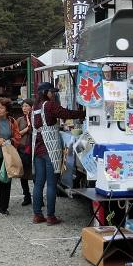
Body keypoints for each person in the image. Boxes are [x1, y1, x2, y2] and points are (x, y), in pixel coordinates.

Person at [32, 82, 83, 225]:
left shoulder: (34, 107)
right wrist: (82, 113)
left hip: (38, 149)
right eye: (51, 92)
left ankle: (37, 215)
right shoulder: (49, 105)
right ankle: (50, 216)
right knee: (52, 184)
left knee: (39, 183)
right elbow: (65, 113)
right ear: (45, 92)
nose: (53, 94)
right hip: (51, 150)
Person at [17, 99, 34, 206]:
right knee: (23, 175)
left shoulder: (36, 119)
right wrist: (26, 130)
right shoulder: (19, 120)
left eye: (27, 106)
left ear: (32, 107)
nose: (24, 108)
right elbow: (16, 134)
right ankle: (26, 196)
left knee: (35, 174)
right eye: (23, 106)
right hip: (22, 149)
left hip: (34, 150)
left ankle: (38, 198)